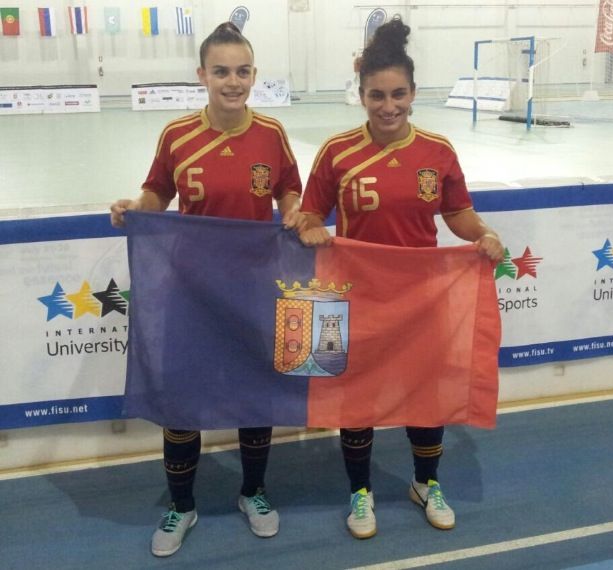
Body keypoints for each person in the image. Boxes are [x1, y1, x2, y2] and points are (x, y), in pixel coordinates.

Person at [293, 18, 504, 539]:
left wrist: (484, 234)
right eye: (376, 95)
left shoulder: (437, 152)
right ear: (361, 95)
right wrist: (310, 228)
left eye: (399, 94)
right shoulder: (336, 152)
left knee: (424, 395)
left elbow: (458, 215)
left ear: (414, 93)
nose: (388, 106)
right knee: (357, 397)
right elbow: (305, 215)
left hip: (422, 298)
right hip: (354, 297)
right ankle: (360, 494)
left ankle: (425, 482)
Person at [110, 22, 303, 557]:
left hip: (255, 288)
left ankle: (253, 492)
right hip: (190, 292)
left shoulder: (272, 133)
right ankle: (181, 505)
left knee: (254, 393)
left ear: (254, 75)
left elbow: (291, 188)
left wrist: (291, 211)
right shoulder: (177, 135)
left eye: (242, 71)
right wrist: (135, 209)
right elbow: (157, 192)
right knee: (182, 404)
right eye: (221, 71)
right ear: (202, 75)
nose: (233, 81)